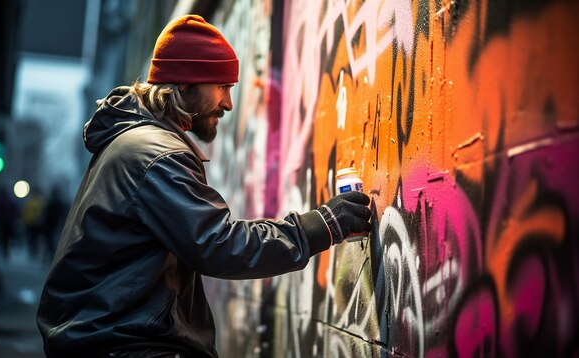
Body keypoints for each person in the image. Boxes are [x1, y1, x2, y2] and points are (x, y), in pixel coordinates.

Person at [36, 14, 371, 358]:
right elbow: (219, 244)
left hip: (107, 340)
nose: (228, 103)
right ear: (185, 86)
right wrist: (322, 226)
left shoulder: (134, 143)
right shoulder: (157, 155)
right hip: (124, 346)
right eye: (222, 86)